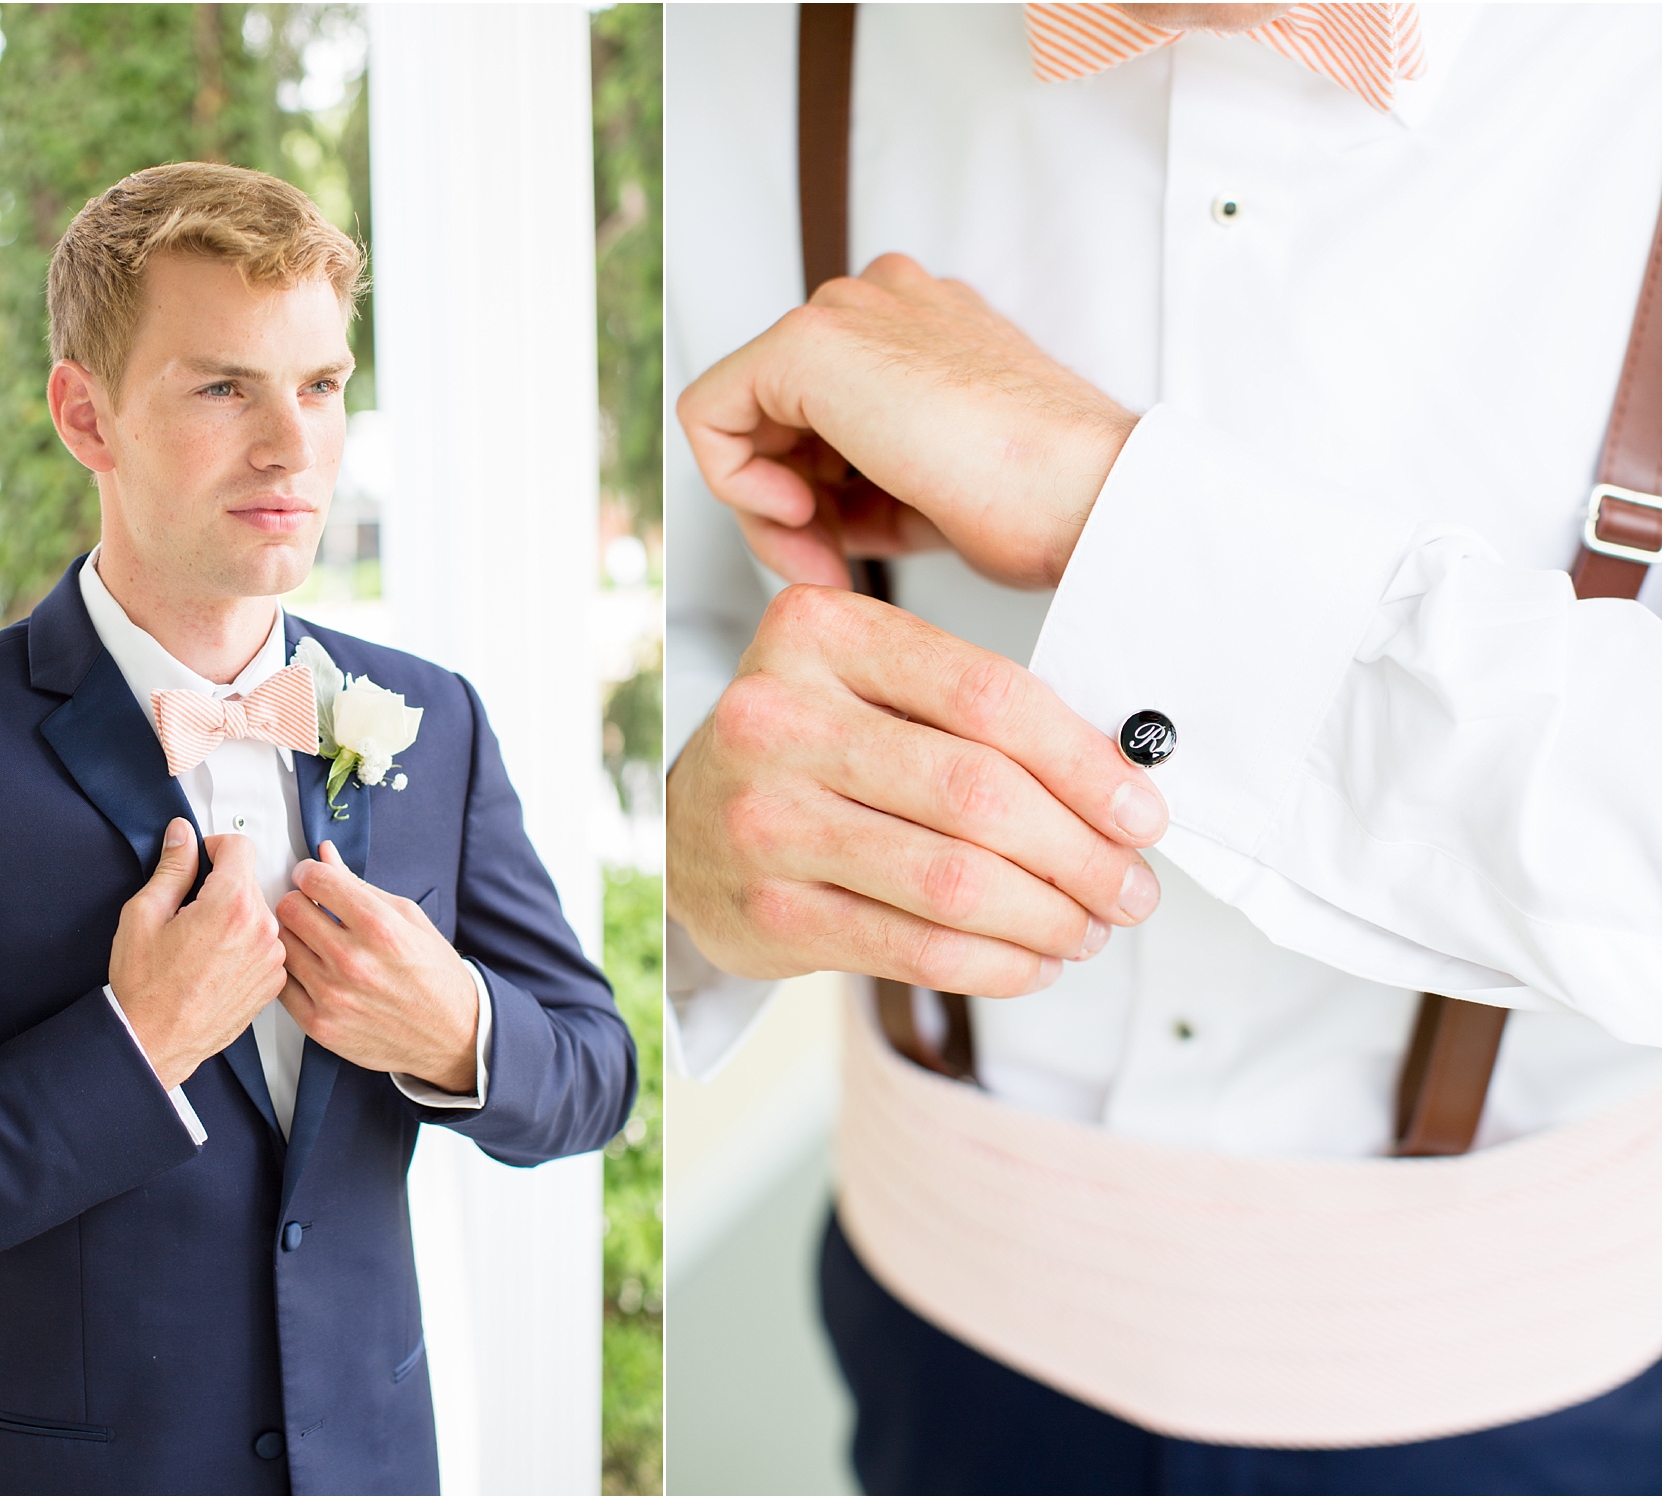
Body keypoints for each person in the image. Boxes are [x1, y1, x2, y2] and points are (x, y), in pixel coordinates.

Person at [665, 5, 1658, 1494]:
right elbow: (671, 614)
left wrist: (1114, 512)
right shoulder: (723, 43)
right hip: (932, 1334)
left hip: (1559, 1394)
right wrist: (679, 848)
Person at [0, 162, 636, 1497]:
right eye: (222, 387)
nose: (291, 446)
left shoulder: (434, 721)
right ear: (86, 415)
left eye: (320, 386)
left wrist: (459, 1033)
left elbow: (595, 1074)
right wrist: (133, 1053)